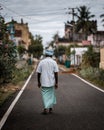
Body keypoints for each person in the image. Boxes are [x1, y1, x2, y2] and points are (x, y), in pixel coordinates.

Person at [36, 49, 59, 115]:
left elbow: (38, 73)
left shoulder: (41, 62)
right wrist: (56, 83)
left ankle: (45, 109)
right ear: (51, 55)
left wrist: (38, 82)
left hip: (44, 82)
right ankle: (50, 109)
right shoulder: (54, 62)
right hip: (51, 82)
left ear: (45, 55)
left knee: (45, 95)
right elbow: (56, 73)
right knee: (51, 95)